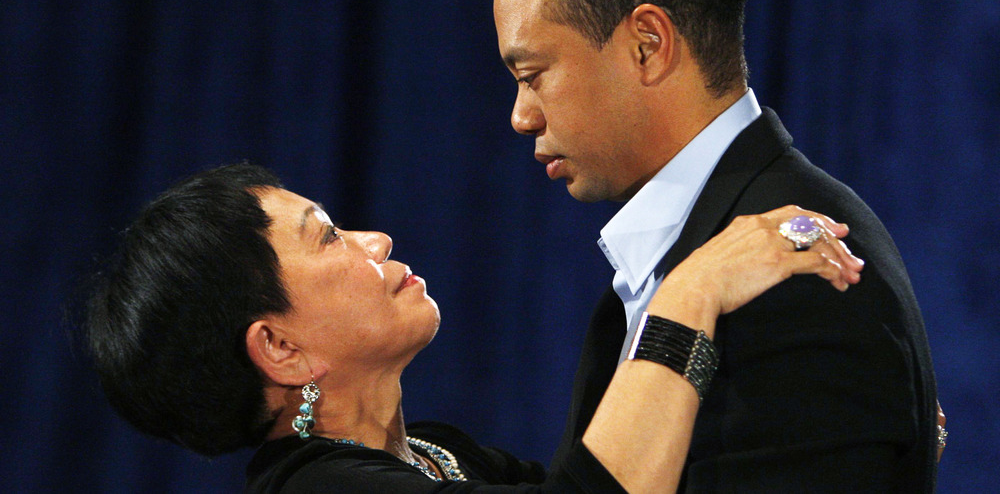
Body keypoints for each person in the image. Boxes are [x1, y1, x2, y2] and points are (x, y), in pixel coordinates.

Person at [85, 163, 861, 493]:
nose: (376, 241)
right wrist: (694, 288)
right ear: (280, 348)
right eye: (327, 236)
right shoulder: (316, 488)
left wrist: (847, 437)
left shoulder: (440, 453)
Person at [492, 0, 941, 491]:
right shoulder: (699, 257)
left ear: (648, 45)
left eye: (532, 76)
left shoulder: (793, 278)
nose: (521, 117)